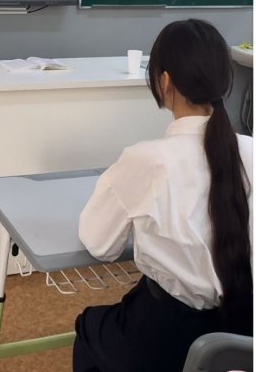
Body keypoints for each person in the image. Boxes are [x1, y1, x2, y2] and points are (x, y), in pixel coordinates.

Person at [73, 19, 252, 372]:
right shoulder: (251, 150)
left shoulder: (145, 160)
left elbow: (99, 245)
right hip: (244, 331)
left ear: (164, 81)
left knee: (89, 327)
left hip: (165, 336)